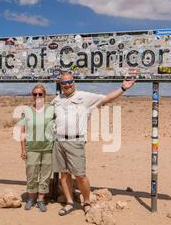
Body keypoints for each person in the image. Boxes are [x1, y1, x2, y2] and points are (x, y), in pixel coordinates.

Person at [52, 72, 135, 216]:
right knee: (64, 175)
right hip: (59, 142)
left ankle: (87, 202)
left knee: (80, 175)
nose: (67, 85)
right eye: (64, 83)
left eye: (69, 82)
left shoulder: (84, 97)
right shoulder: (57, 100)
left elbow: (106, 99)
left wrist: (123, 88)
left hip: (75, 141)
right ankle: (70, 202)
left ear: (74, 82)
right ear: (60, 85)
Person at [19, 84, 55, 212]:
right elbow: (22, 131)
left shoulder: (52, 109)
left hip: (48, 147)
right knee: (31, 174)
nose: (38, 96)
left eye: (40, 94)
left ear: (44, 95)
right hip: (32, 147)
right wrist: (23, 149)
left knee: (45, 174)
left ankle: (41, 199)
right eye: (35, 94)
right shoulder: (27, 111)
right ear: (32, 95)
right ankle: (31, 198)